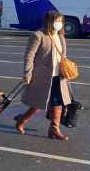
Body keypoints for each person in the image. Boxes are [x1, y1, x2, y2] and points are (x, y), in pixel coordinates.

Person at [14, 10, 72, 140]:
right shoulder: (38, 35)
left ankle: (54, 129)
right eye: (56, 21)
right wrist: (27, 73)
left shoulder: (61, 37)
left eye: (61, 21)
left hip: (59, 76)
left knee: (58, 102)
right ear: (49, 22)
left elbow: (62, 56)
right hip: (43, 76)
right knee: (40, 102)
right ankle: (22, 121)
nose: (59, 24)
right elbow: (29, 56)